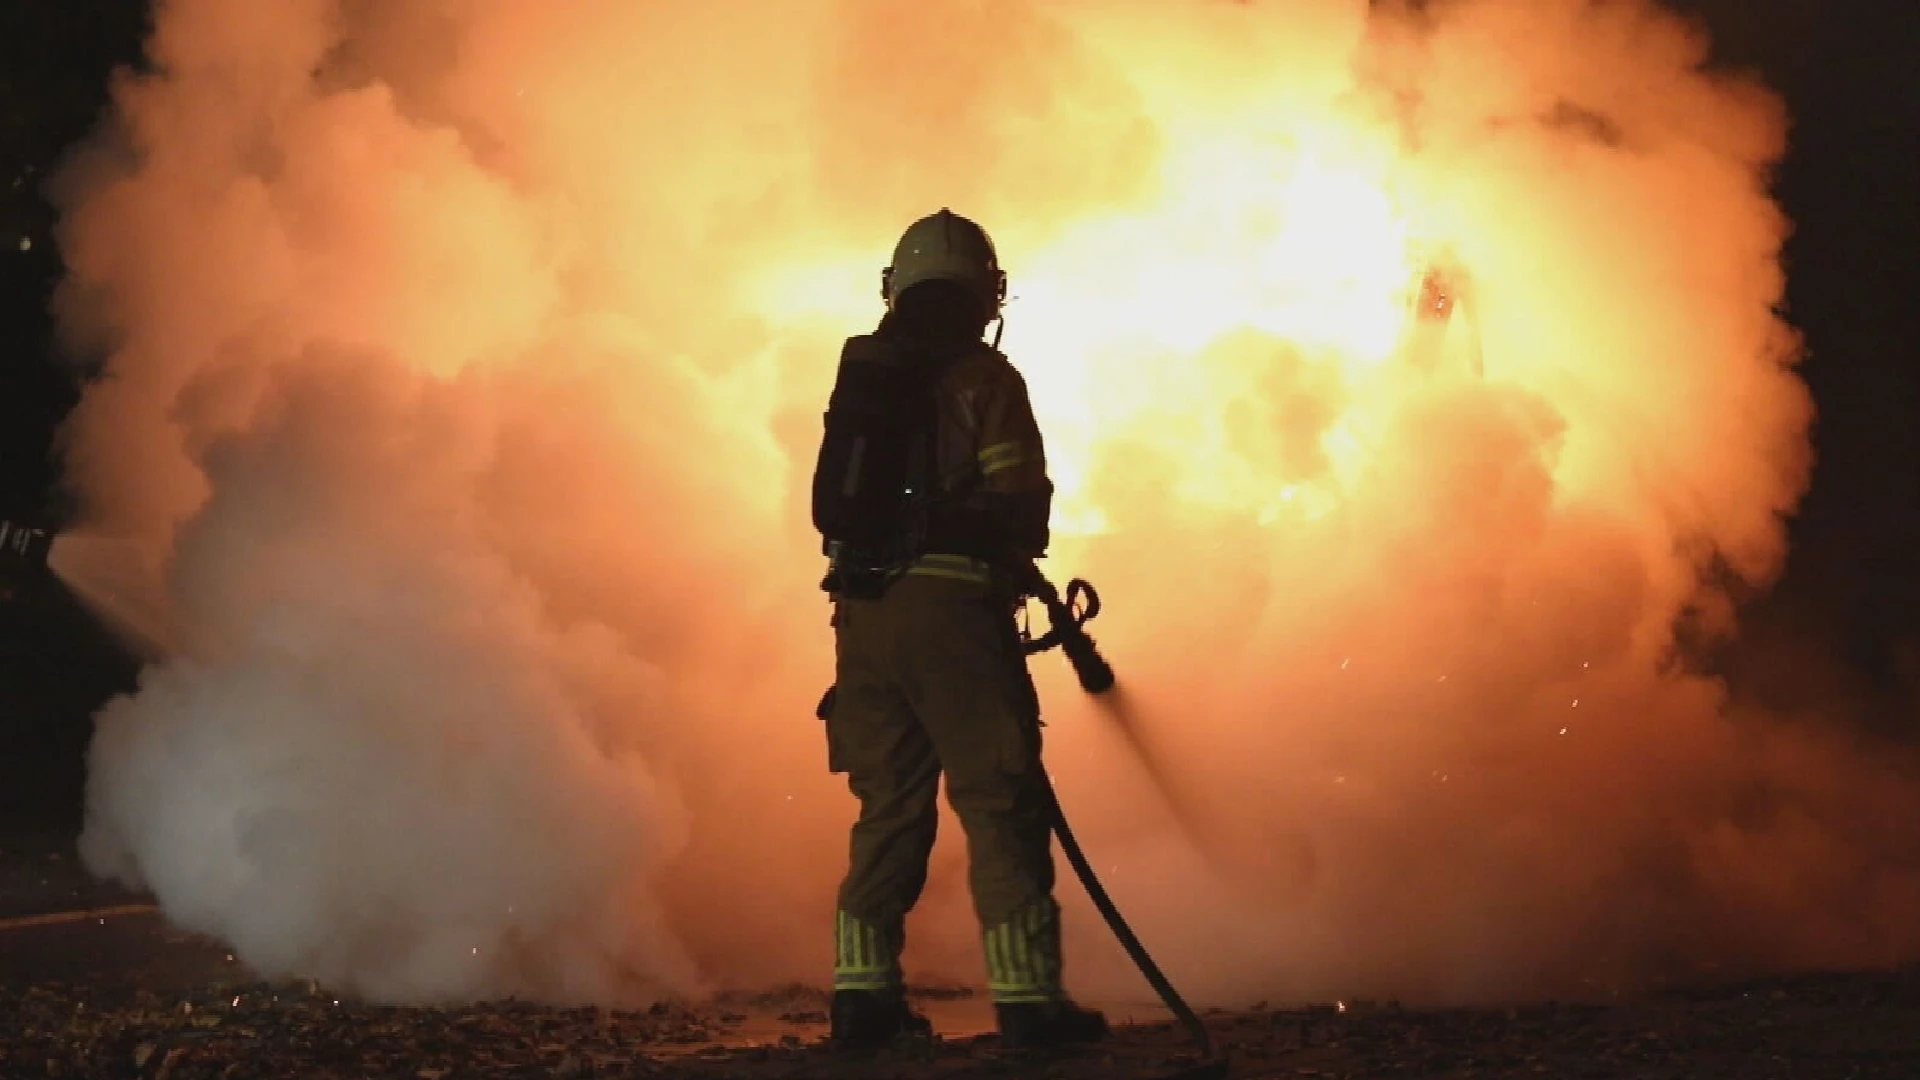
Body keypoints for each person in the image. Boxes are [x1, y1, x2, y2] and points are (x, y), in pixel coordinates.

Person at [812, 209, 1110, 1052]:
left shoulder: (863, 374)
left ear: (896, 289)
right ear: (987, 293)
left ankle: (862, 1001)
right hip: (953, 620)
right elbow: (1021, 507)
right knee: (999, 797)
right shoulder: (988, 380)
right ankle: (1029, 1005)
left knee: (889, 809)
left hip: (864, 618)